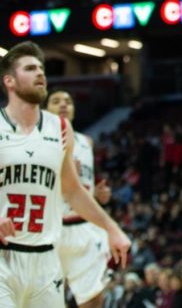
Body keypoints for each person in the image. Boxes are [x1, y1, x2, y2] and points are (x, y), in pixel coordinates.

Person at [0, 41, 131, 306]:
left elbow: (72, 190)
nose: (40, 73)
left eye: (41, 68)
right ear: (10, 81)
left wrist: (111, 227)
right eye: (29, 68)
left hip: (46, 260)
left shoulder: (60, 128)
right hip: (4, 257)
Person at [46, 89, 113, 308]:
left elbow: (81, 188)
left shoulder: (86, 142)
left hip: (84, 227)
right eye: (56, 101)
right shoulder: (39, 141)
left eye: (68, 101)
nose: (63, 104)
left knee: (94, 300)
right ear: (47, 110)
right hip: (52, 228)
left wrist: (96, 195)